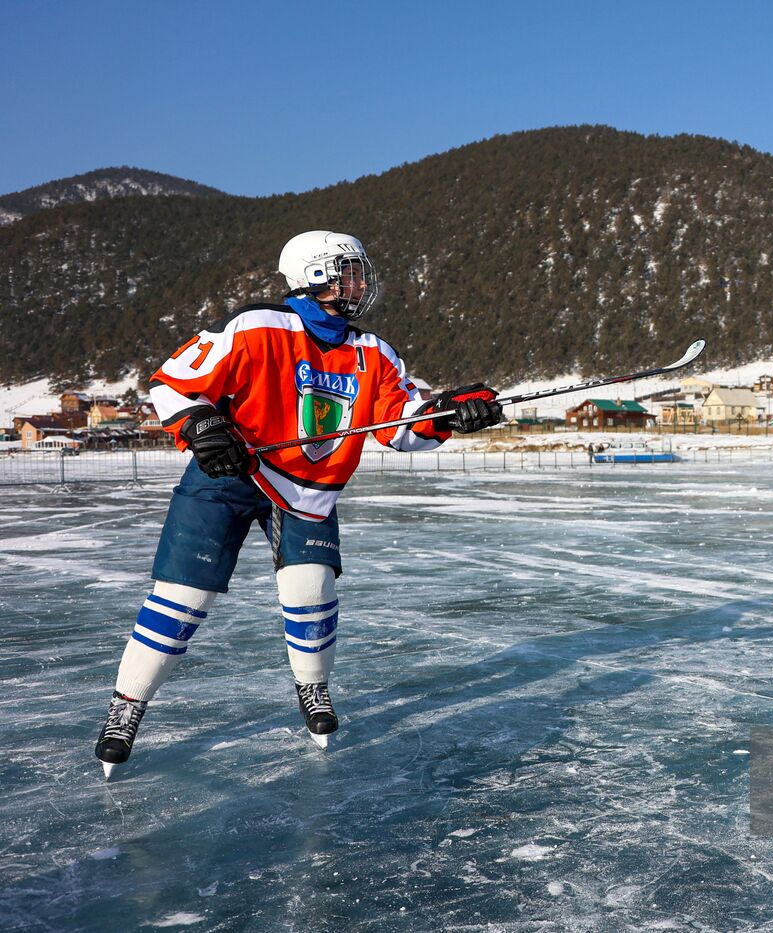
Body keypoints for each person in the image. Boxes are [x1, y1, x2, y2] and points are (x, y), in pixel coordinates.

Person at [94, 231, 504, 777]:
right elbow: (172, 385)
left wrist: (451, 413)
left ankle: (314, 689)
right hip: (230, 473)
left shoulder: (372, 352)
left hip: (307, 489)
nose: (360, 284)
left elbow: (404, 426)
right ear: (314, 275)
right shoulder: (256, 327)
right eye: (348, 272)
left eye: (361, 273)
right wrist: (201, 422)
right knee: (183, 596)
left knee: (312, 590)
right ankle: (126, 705)